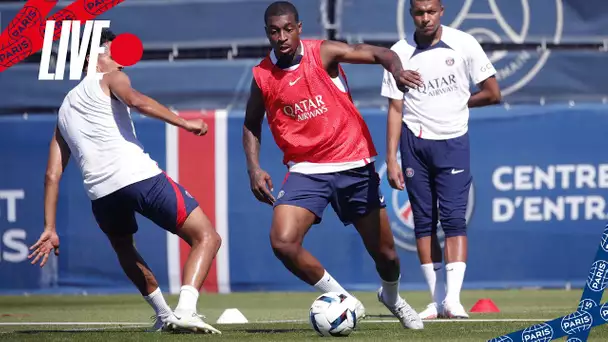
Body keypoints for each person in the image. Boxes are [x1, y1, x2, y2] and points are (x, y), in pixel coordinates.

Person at [242, 1, 424, 330]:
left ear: (298, 28)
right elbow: (251, 123)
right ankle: (342, 299)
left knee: (387, 256)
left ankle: (393, 297)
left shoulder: (323, 53)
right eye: (274, 31)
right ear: (267, 33)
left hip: (353, 163)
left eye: (287, 29)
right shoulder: (262, 76)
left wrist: (396, 70)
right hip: (306, 170)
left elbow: (379, 54)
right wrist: (253, 167)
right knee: (283, 242)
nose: (281, 37)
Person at [27, 28, 222, 334]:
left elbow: (52, 174)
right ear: (90, 57)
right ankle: (185, 310)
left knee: (124, 248)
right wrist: (185, 122)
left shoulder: (64, 109)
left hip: (101, 196)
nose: (116, 57)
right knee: (208, 237)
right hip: (138, 177)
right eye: (108, 49)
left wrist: (49, 227)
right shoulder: (110, 77)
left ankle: (163, 315)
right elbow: (138, 101)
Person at [381, 0, 502, 319]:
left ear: (442, 11)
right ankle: (436, 302)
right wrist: (391, 159)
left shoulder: (464, 44)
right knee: (423, 222)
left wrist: (460, 103)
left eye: (431, 11)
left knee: (453, 220)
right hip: (414, 143)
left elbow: (493, 93)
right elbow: (395, 109)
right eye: (419, 12)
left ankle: (454, 300)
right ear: (411, 14)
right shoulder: (399, 52)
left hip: (453, 142)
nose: (425, 18)